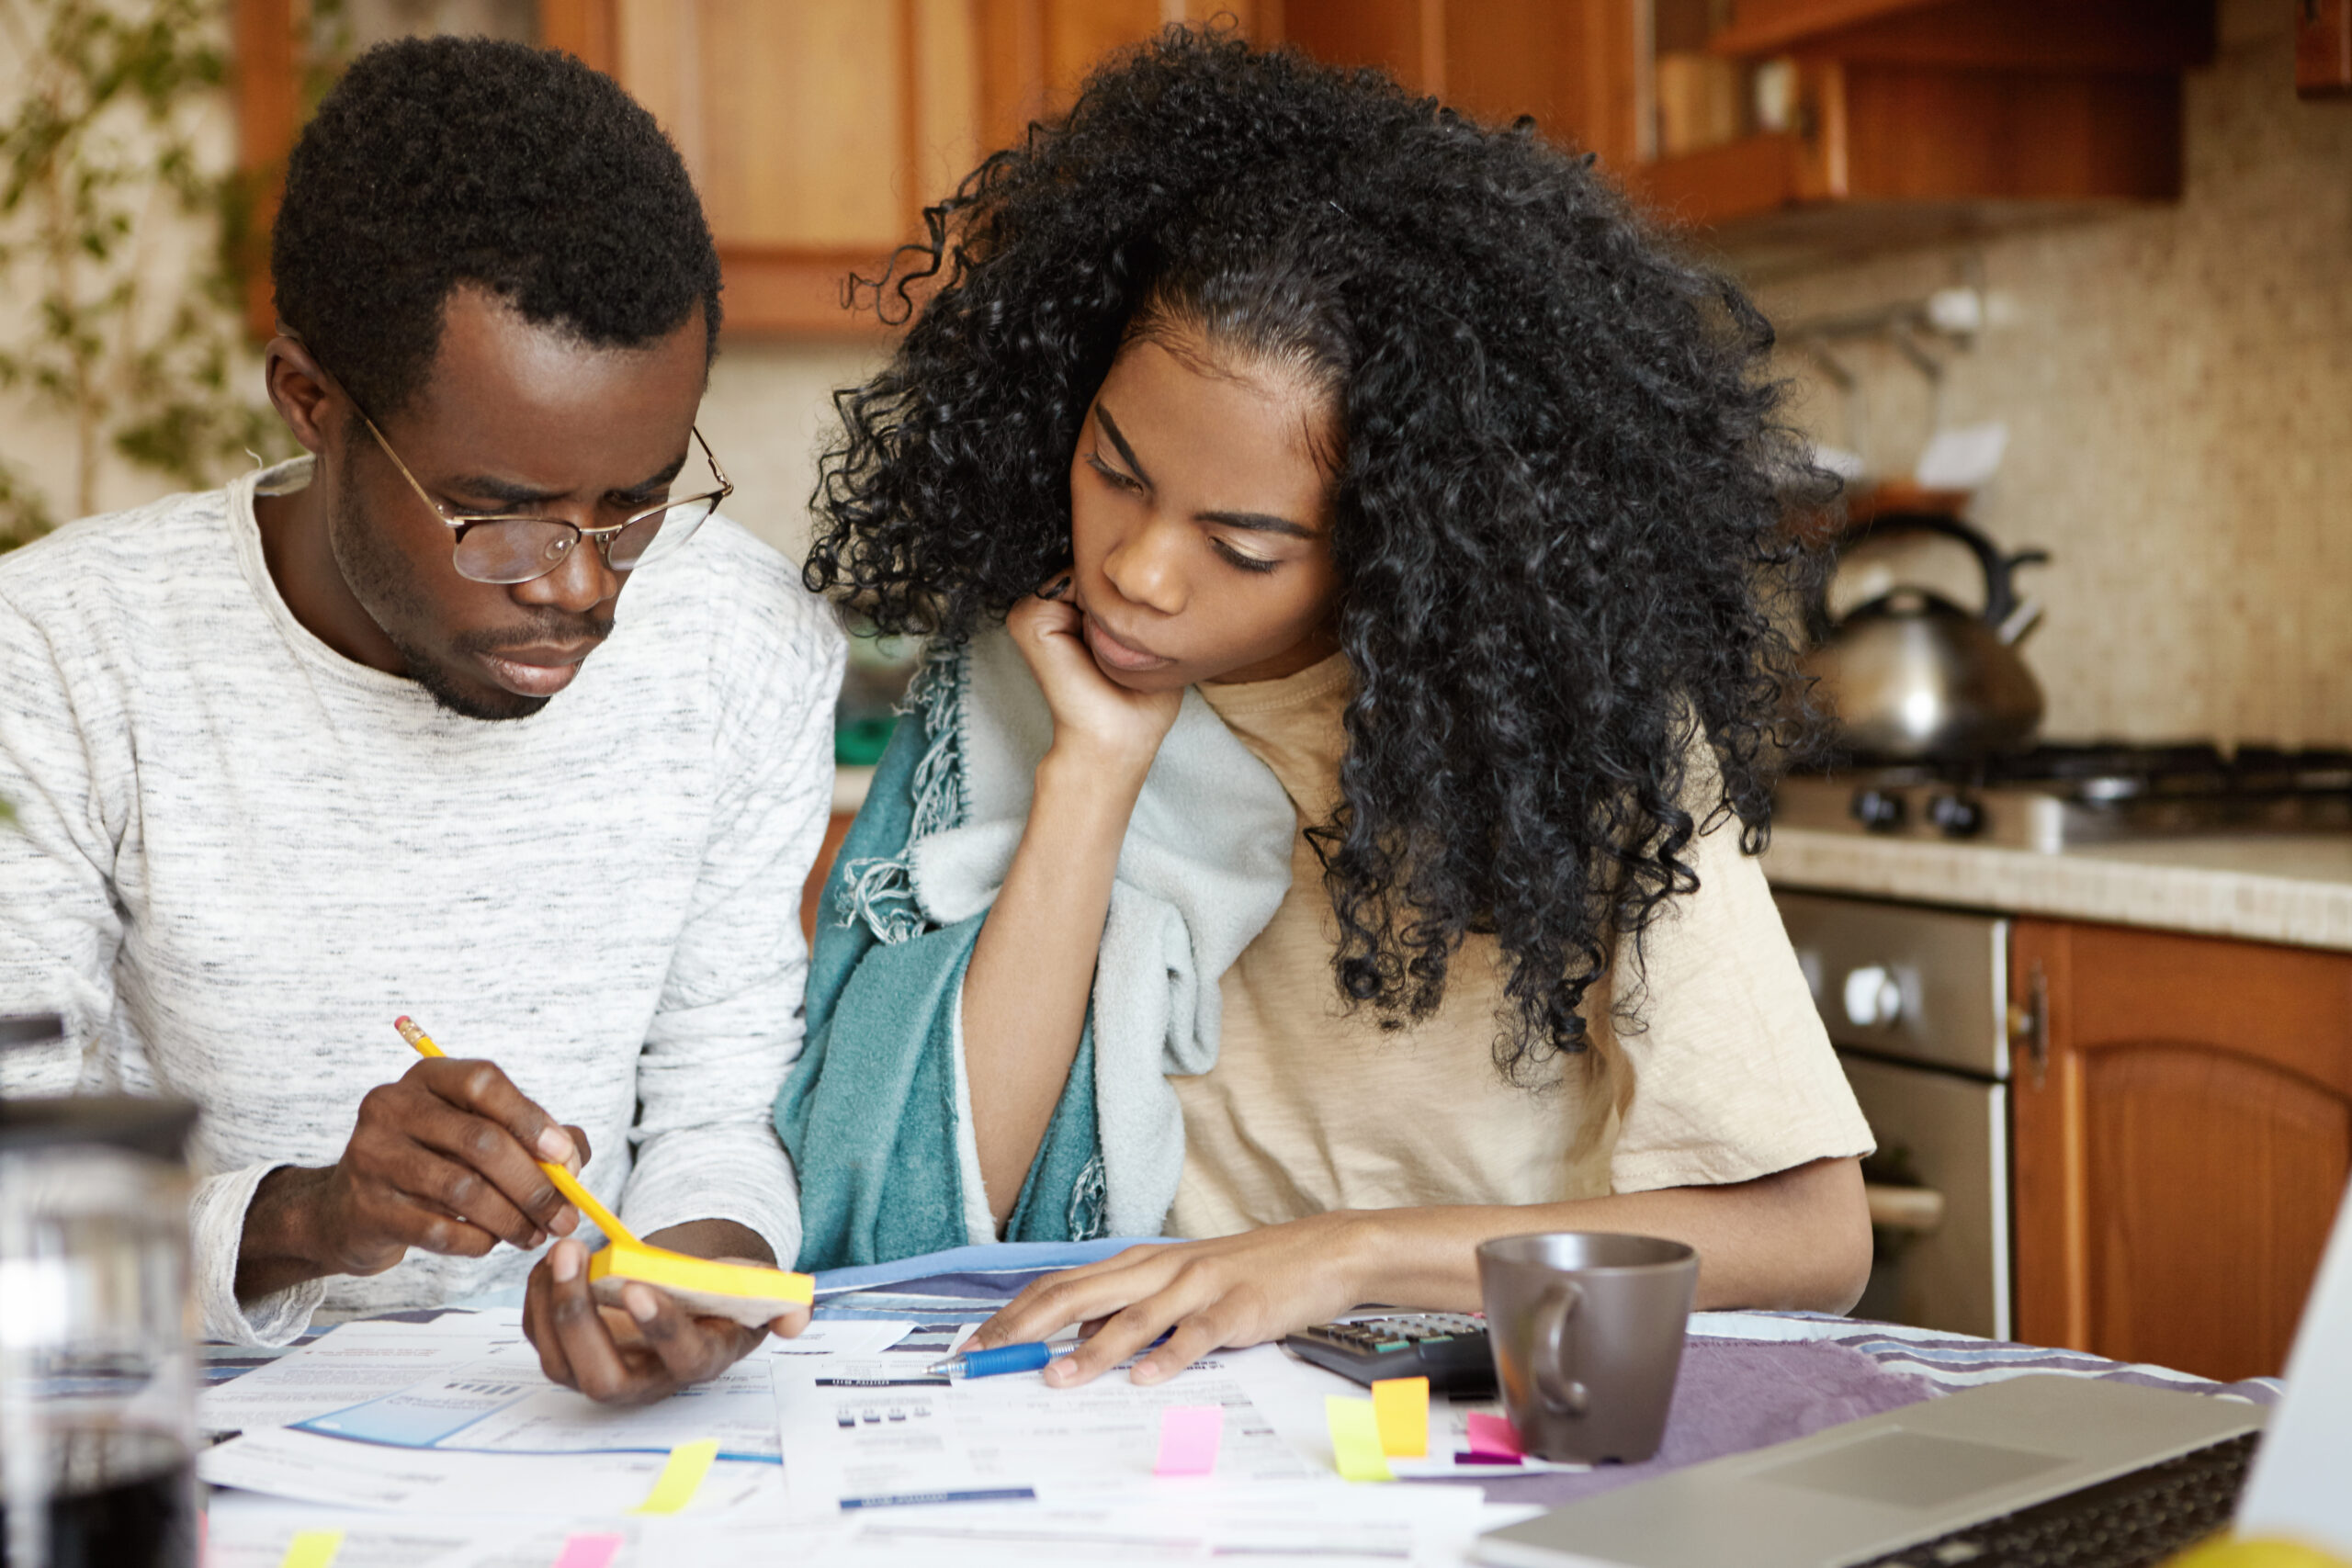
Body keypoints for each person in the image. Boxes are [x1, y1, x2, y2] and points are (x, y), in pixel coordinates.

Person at [779, 28, 1876, 1387]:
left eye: (1243, 547)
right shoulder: (1019, 676)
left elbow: (1811, 1238)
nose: (1139, 570)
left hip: (1494, 1394)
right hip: (1140, 1405)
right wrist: (1095, 771)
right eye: (1114, 471)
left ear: (1397, 546)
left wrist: (1342, 1253)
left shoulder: (1564, 729)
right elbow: (920, 1214)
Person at [0, 38, 841, 1404]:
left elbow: (713, 1111)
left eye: (632, 502)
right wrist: (308, 1219)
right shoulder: (56, 658)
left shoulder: (741, 639)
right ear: (311, 401)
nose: (582, 590)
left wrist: (699, 1277)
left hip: (586, 1464)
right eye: (499, 514)